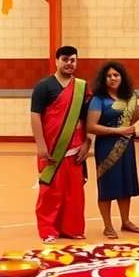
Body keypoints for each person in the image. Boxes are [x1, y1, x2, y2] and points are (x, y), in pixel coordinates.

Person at [31, 45, 91, 244]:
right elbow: (35, 116)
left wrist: (87, 143)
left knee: (74, 192)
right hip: (52, 150)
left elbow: (86, 119)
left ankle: (72, 229)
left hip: (75, 149)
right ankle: (48, 230)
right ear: (57, 61)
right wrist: (41, 146)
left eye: (73, 60)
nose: (69, 63)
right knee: (50, 191)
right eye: (65, 59)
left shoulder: (82, 87)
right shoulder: (44, 86)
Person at [87, 61, 139, 239]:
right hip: (106, 147)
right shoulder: (99, 99)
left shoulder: (128, 97)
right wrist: (118, 130)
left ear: (122, 77)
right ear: (104, 79)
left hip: (126, 146)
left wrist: (128, 126)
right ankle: (107, 225)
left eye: (116, 75)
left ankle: (126, 221)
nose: (113, 78)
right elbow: (91, 126)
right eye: (109, 76)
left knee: (125, 184)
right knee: (107, 185)